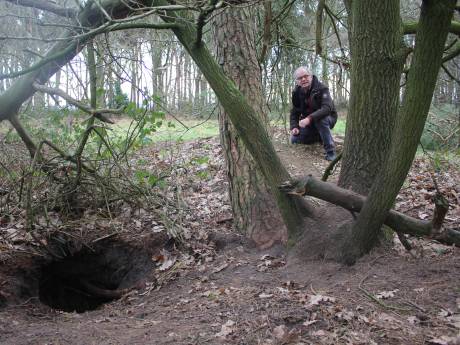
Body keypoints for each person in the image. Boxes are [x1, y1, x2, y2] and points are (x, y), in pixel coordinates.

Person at [290, 66, 338, 161]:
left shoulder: (322, 88)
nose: (303, 79)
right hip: (310, 122)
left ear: (311, 76)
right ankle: (319, 136)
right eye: (300, 78)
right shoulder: (297, 92)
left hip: (328, 118)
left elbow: (327, 108)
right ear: (297, 81)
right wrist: (294, 126)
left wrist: (309, 118)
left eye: (306, 76)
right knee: (294, 139)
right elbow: (295, 112)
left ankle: (330, 151)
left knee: (321, 120)